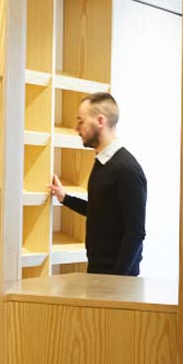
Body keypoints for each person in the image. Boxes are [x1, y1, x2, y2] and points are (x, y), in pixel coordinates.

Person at [49, 92, 147, 275]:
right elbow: (100, 211)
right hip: (99, 272)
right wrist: (65, 198)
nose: (76, 128)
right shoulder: (102, 163)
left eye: (81, 121)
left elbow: (135, 232)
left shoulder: (127, 170)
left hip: (116, 280)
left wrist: (115, 281)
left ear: (100, 121)